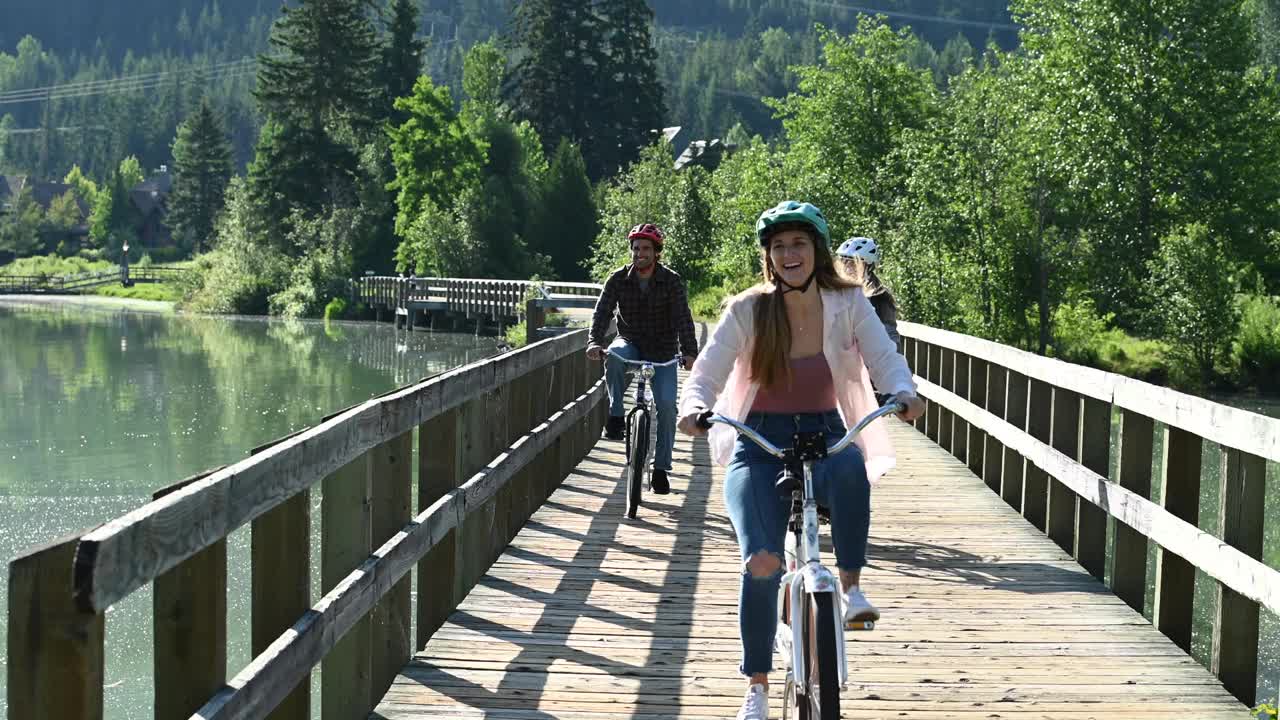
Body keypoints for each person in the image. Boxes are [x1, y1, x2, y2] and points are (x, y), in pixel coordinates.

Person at [676, 201, 924, 720]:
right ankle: (758, 687)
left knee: (853, 469)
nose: (790, 254)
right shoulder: (747, 308)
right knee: (761, 561)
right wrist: (694, 407)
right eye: (780, 246)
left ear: (818, 252)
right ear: (769, 256)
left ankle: (852, 589)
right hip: (758, 441)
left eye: (800, 244)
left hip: (826, 430)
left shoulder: (849, 302)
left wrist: (902, 391)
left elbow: (884, 356)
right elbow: (707, 371)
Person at [587, 223, 699, 495]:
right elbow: (602, 311)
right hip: (630, 342)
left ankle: (661, 469)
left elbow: (683, 317)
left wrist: (690, 352)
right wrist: (593, 341)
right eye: (636, 248)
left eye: (646, 249)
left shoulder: (671, 280)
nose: (639, 253)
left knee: (667, 407)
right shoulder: (618, 278)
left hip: (663, 349)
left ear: (656, 252)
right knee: (613, 354)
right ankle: (615, 416)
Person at [835, 236, 900, 351]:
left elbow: (890, 337)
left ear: (868, 267)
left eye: (854, 263)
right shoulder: (834, 292)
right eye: (844, 262)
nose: (848, 268)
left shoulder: (879, 298)